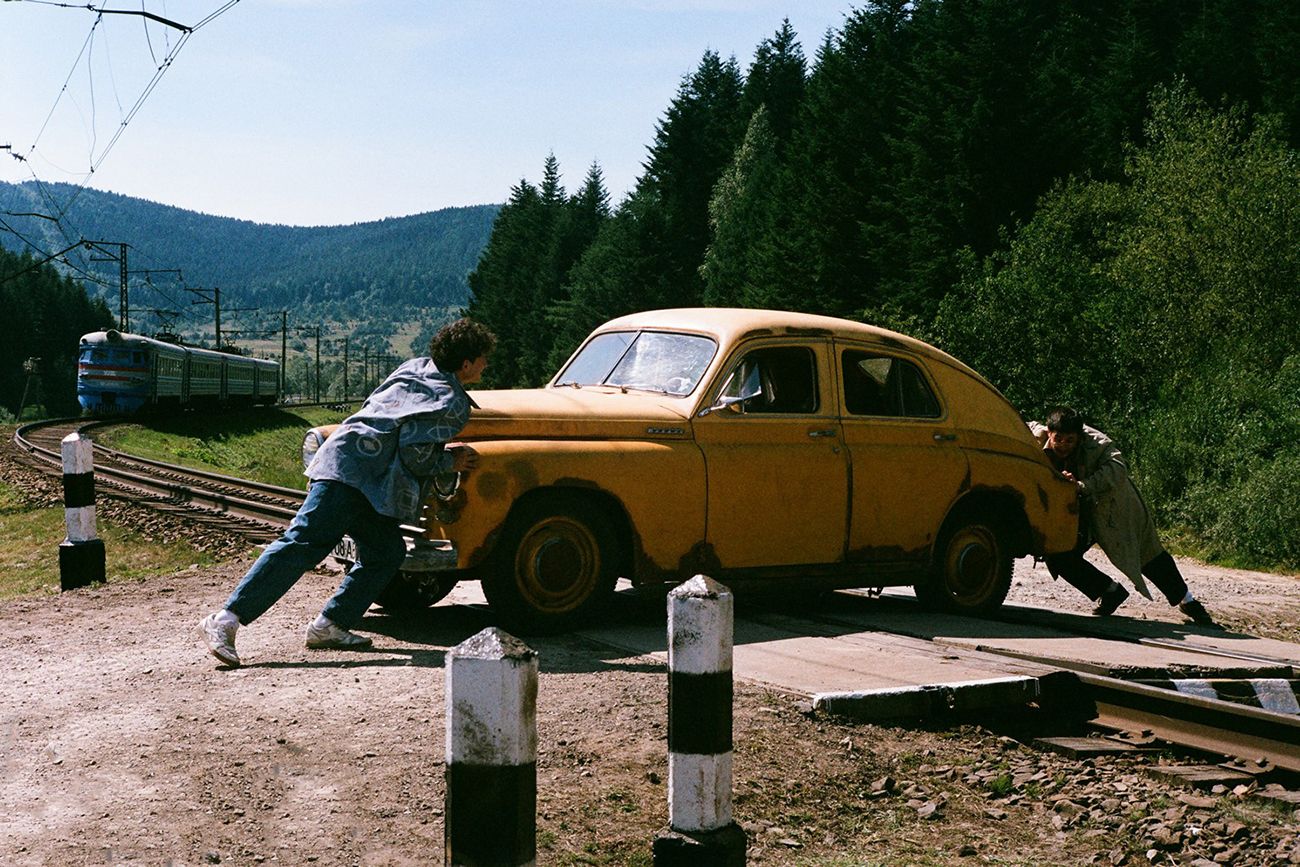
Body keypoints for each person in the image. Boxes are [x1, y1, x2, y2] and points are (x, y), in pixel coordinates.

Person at [198, 318, 496, 666]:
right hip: (354, 473)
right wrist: (451, 461)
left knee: (386, 551)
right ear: (466, 364)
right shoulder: (451, 401)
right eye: (482, 358)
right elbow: (415, 454)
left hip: (353, 464)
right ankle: (225, 620)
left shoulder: (415, 367)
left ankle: (331, 624)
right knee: (302, 542)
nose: (486, 364)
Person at [1029, 407, 1221, 628]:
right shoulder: (1037, 435)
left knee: (1146, 554)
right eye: (1058, 439)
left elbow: (1118, 468)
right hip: (1075, 512)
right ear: (1050, 433)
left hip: (1111, 506)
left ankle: (1188, 602)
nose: (1063, 445)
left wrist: (1083, 485)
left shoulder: (1098, 443)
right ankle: (1109, 591)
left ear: (1079, 438)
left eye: (1070, 441)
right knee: (1058, 553)